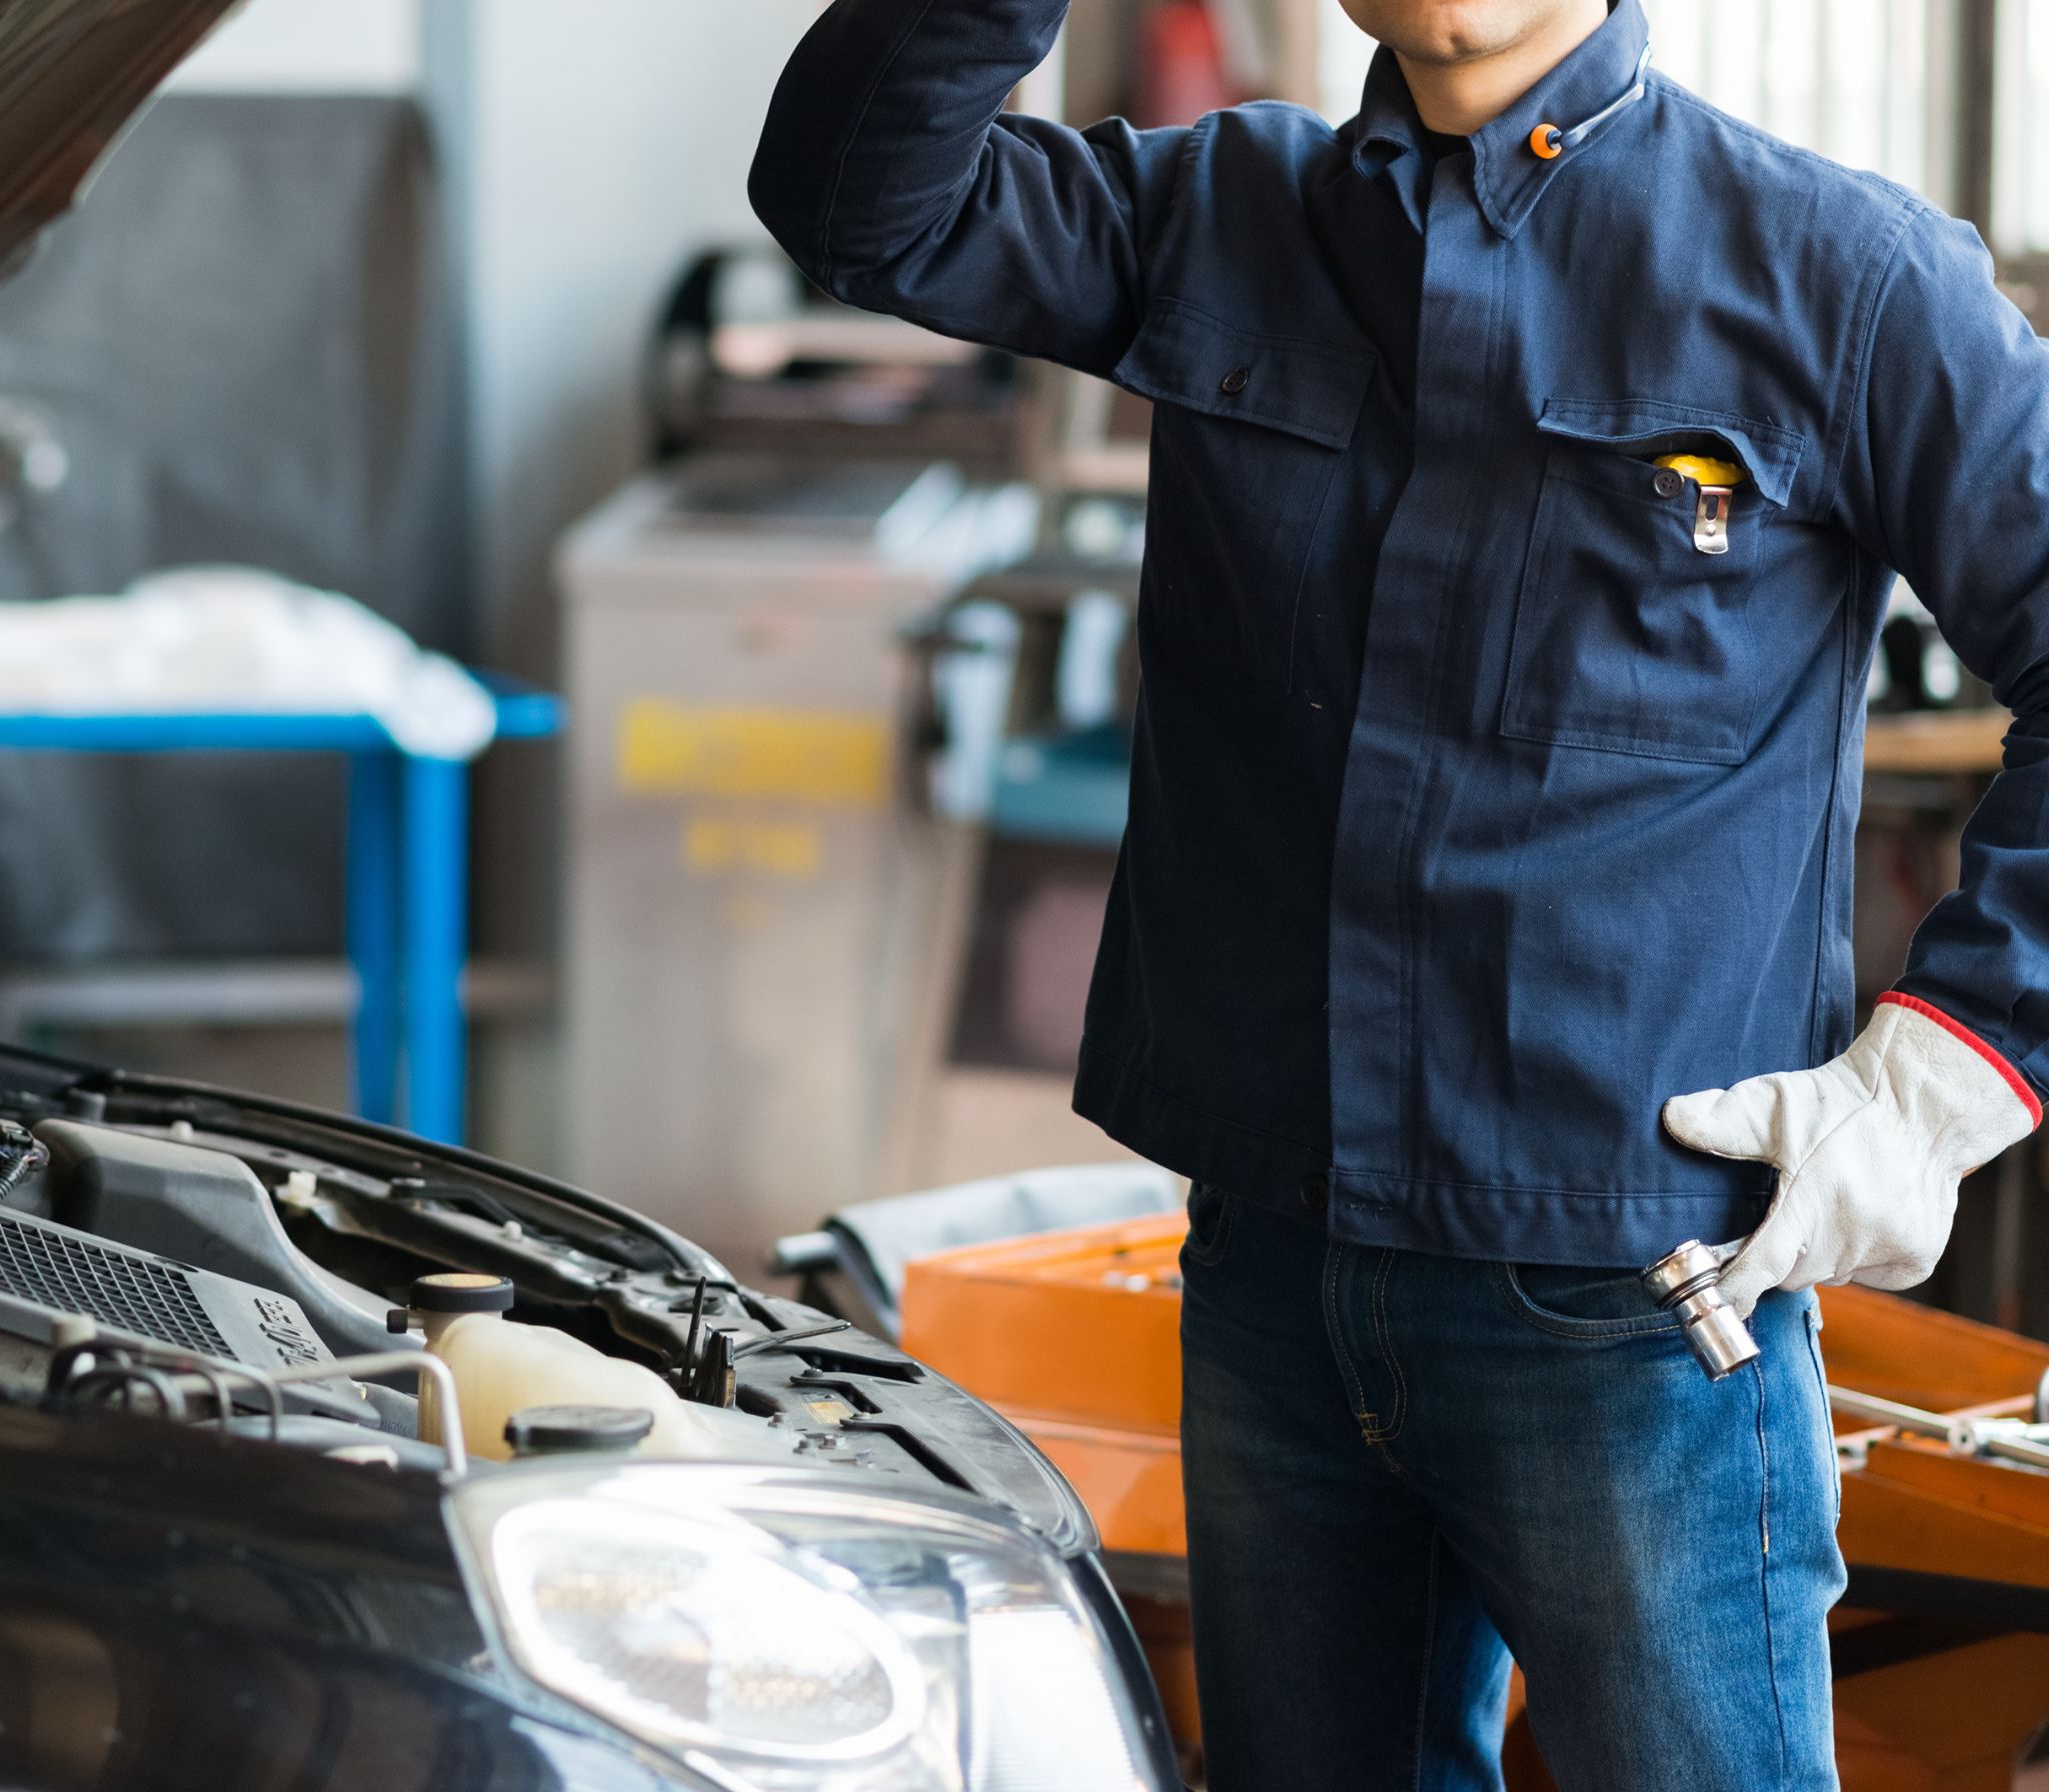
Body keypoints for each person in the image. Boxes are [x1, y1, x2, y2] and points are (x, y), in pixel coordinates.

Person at [751, 1, 2049, 1786]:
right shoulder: (1225, 217)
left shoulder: (1842, 275)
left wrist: (1946, 1064)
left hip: (1633, 1290)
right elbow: (860, 205)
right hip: (1277, 1262)